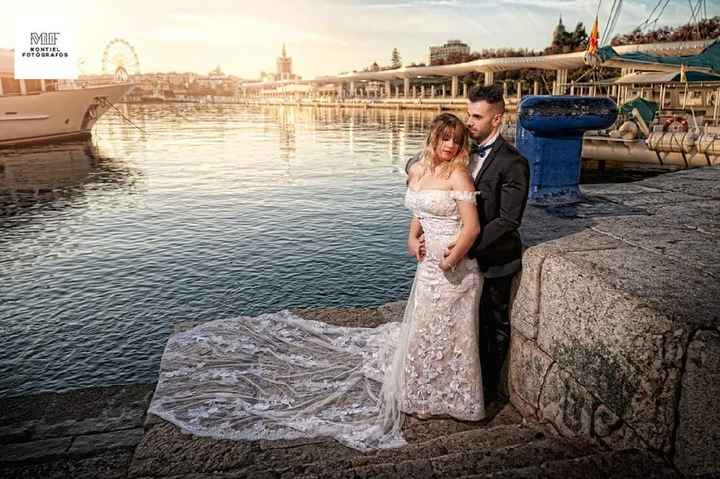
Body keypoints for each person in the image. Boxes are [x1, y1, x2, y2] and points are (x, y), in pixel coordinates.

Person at [147, 113, 485, 451]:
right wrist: (412, 240)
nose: (450, 145)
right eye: (445, 138)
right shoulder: (419, 170)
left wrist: (450, 261)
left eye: (456, 140)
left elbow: (472, 227)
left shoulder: (459, 175)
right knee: (425, 329)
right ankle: (424, 391)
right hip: (427, 265)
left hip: (453, 267)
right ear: (433, 137)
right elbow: (420, 211)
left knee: (449, 331)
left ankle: (453, 398)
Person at [406, 85, 530, 404]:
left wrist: (464, 249)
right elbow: (425, 180)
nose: (469, 123)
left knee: (492, 326)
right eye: (468, 114)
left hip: (493, 257)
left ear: (497, 118)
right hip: (449, 255)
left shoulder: (513, 162)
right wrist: (418, 233)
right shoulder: (463, 151)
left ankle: (484, 391)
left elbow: (508, 220)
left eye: (477, 116)